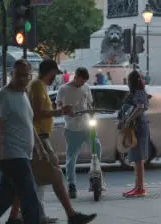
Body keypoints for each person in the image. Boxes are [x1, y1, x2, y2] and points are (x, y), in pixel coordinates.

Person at [7, 59, 97, 224]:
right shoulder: (37, 86)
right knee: (55, 175)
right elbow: (36, 112)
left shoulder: (39, 86)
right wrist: (59, 111)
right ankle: (71, 215)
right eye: (54, 74)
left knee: (29, 180)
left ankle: (19, 217)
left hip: (39, 136)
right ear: (48, 72)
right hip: (38, 137)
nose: (55, 78)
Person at [0, 59, 45, 224]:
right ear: (12, 74)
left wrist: (40, 148)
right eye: (19, 75)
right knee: (30, 198)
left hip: (23, 154)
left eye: (26, 76)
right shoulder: (1, 97)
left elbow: (28, 122)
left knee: (3, 198)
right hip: (12, 155)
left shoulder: (23, 95)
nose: (23, 79)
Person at [56, 67, 103, 199]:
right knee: (71, 158)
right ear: (75, 77)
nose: (81, 84)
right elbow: (58, 105)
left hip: (87, 125)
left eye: (84, 82)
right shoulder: (63, 89)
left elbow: (90, 103)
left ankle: (96, 174)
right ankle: (71, 184)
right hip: (71, 128)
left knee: (97, 146)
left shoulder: (86, 88)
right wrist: (65, 111)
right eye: (80, 81)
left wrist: (93, 111)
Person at [120, 71, 150, 197]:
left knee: (138, 160)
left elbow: (140, 107)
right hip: (137, 126)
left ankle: (140, 188)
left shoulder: (138, 92)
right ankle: (137, 186)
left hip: (138, 126)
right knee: (136, 160)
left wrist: (128, 119)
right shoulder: (140, 91)